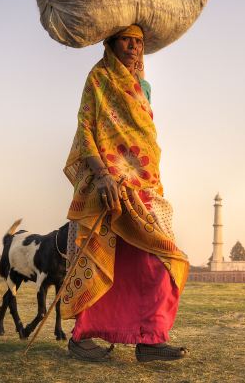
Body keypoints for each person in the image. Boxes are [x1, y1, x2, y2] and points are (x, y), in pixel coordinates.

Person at [61, 24, 190, 362]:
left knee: (160, 259)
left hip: (143, 185)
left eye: (138, 42)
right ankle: (81, 338)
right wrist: (103, 175)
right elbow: (86, 128)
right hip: (107, 184)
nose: (133, 47)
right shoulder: (99, 79)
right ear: (111, 44)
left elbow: (142, 135)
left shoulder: (143, 86)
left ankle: (150, 340)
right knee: (99, 256)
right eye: (126, 41)